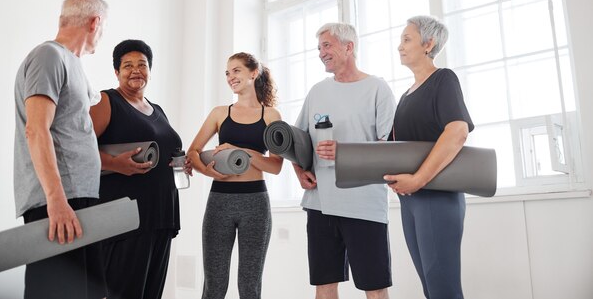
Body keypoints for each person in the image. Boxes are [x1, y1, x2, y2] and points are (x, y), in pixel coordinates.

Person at [13, 0, 108, 299]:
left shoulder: (72, 64)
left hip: (78, 198)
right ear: (95, 23)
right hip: (59, 203)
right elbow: (36, 129)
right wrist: (56, 199)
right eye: (103, 28)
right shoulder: (48, 56)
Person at [292, 23, 396, 299]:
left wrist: (345, 152)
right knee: (324, 286)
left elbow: (391, 149)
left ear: (349, 47)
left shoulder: (378, 88)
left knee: (374, 287)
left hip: (364, 204)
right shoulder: (317, 91)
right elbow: (297, 139)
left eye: (327, 45)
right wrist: (299, 170)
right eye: (319, 48)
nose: (321, 53)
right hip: (320, 204)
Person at [89, 39, 188, 299]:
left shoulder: (158, 110)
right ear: (116, 72)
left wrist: (181, 163)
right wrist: (113, 163)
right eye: (127, 65)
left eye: (142, 65)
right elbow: (76, 150)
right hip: (125, 218)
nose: (136, 70)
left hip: (161, 215)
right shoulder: (106, 101)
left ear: (150, 70)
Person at [384, 15, 474, 299]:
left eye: (406, 39)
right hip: (410, 198)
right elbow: (395, 146)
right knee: (430, 286)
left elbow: (457, 131)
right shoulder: (406, 95)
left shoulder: (443, 79)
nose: (399, 46)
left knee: (442, 287)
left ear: (429, 43)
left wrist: (419, 180)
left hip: (436, 195)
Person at [188, 52, 283, 299]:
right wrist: (205, 169)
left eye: (236, 70)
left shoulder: (271, 115)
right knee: (214, 284)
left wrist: (242, 152)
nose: (231, 77)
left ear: (254, 73)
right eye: (227, 73)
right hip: (220, 200)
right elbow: (193, 152)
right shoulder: (220, 113)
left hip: (256, 203)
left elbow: (275, 166)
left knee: (250, 285)